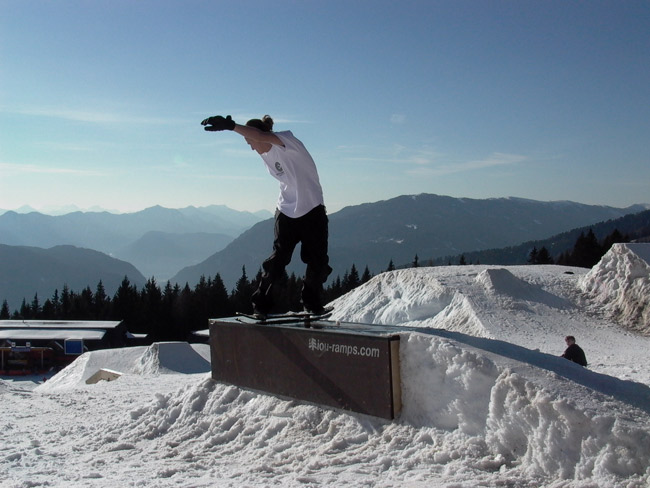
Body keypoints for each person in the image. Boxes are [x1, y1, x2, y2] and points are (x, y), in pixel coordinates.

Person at [201, 114, 332, 317]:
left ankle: (312, 304)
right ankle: (261, 307)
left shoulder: (288, 142)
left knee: (318, 261)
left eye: (250, 142)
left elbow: (259, 135)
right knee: (278, 260)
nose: (252, 148)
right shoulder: (265, 155)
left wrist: (231, 126)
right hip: (286, 211)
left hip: (312, 210)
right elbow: (258, 138)